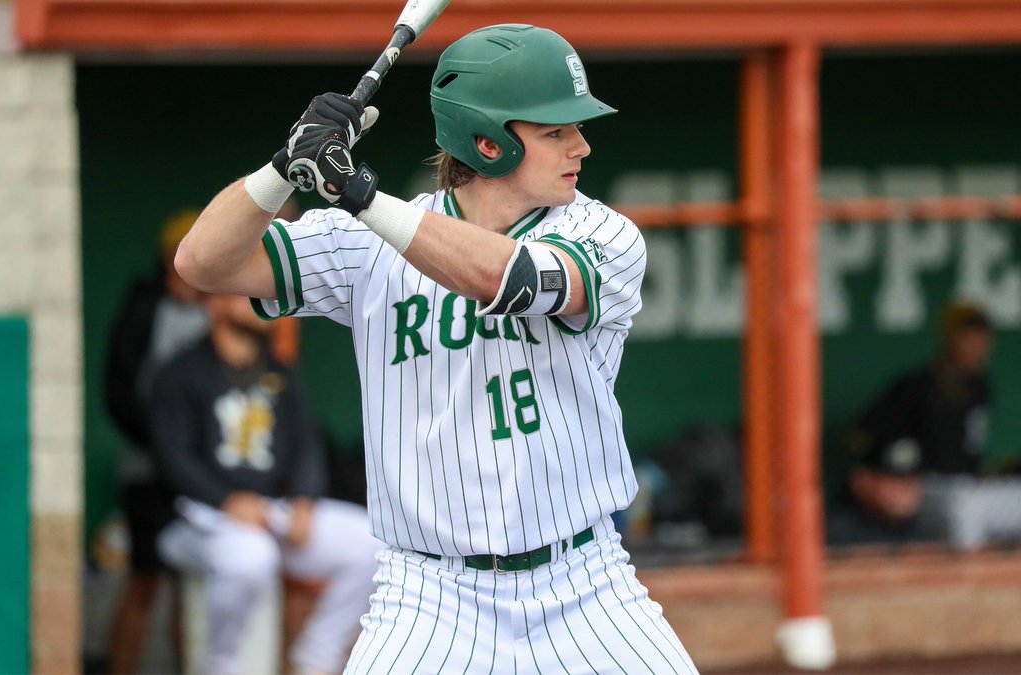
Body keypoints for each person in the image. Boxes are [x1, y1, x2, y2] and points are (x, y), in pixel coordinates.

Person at [175, 23, 697, 674]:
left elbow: (503, 276)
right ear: (488, 142)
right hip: (428, 596)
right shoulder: (364, 246)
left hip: (584, 582)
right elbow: (203, 262)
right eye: (556, 131)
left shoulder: (604, 233)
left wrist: (357, 194)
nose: (581, 146)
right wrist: (283, 166)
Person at [150, 293, 377, 675]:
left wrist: (305, 499)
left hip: (273, 512)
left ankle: (315, 658)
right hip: (199, 520)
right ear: (215, 303)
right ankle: (222, 664)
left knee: (372, 545)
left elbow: (307, 443)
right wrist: (226, 501)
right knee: (252, 558)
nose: (261, 301)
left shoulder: (279, 371)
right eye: (244, 294)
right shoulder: (180, 372)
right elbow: (171, 458)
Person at [848, 300, 1021, 550]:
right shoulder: (915, 388)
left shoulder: (981, 387)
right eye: (970, 337)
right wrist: (883, 482)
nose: (979, 347)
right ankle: (972, 586)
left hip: (972, 486)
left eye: (984, 339)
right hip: (930, 490)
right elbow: (863, 440)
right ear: (950, 338)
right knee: (966, 508)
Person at [103, 209, 209, 674]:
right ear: (170, 258)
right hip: (148, 470)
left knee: (194, 586)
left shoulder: (220, 307)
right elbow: (118, 391)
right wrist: (164, 444)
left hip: (201, 475)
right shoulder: (145, 307)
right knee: (144, 583)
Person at [826, 438, 940, 547]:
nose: (905, 489)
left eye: (911, 478)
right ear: (861, 481)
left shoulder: (929, 533)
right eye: (894, 480)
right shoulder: (835, 535)